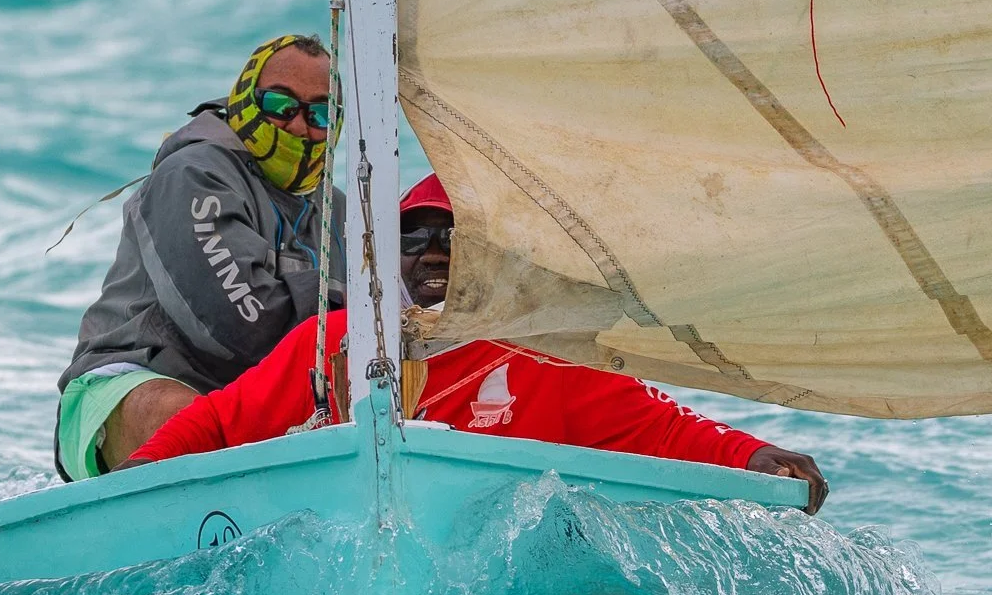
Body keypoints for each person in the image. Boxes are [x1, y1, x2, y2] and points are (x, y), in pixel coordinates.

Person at [122, 175, 830, 514]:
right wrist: (123, 499)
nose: (432, 253)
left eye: (453, 238)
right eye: (415, 238)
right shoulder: (334, 342)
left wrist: (751, 456)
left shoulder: (542, 357)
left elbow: (661, 430)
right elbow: (219, 423)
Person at [55, 33, 344, 481]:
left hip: (260, 405)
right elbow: (242, 328)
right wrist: (348, 304)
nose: (298, 126)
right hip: (136, 378)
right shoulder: (192, 175)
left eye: (320, 112)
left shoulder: (341, 210)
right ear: (246, 100)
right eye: (280, 105)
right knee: (194, 426)